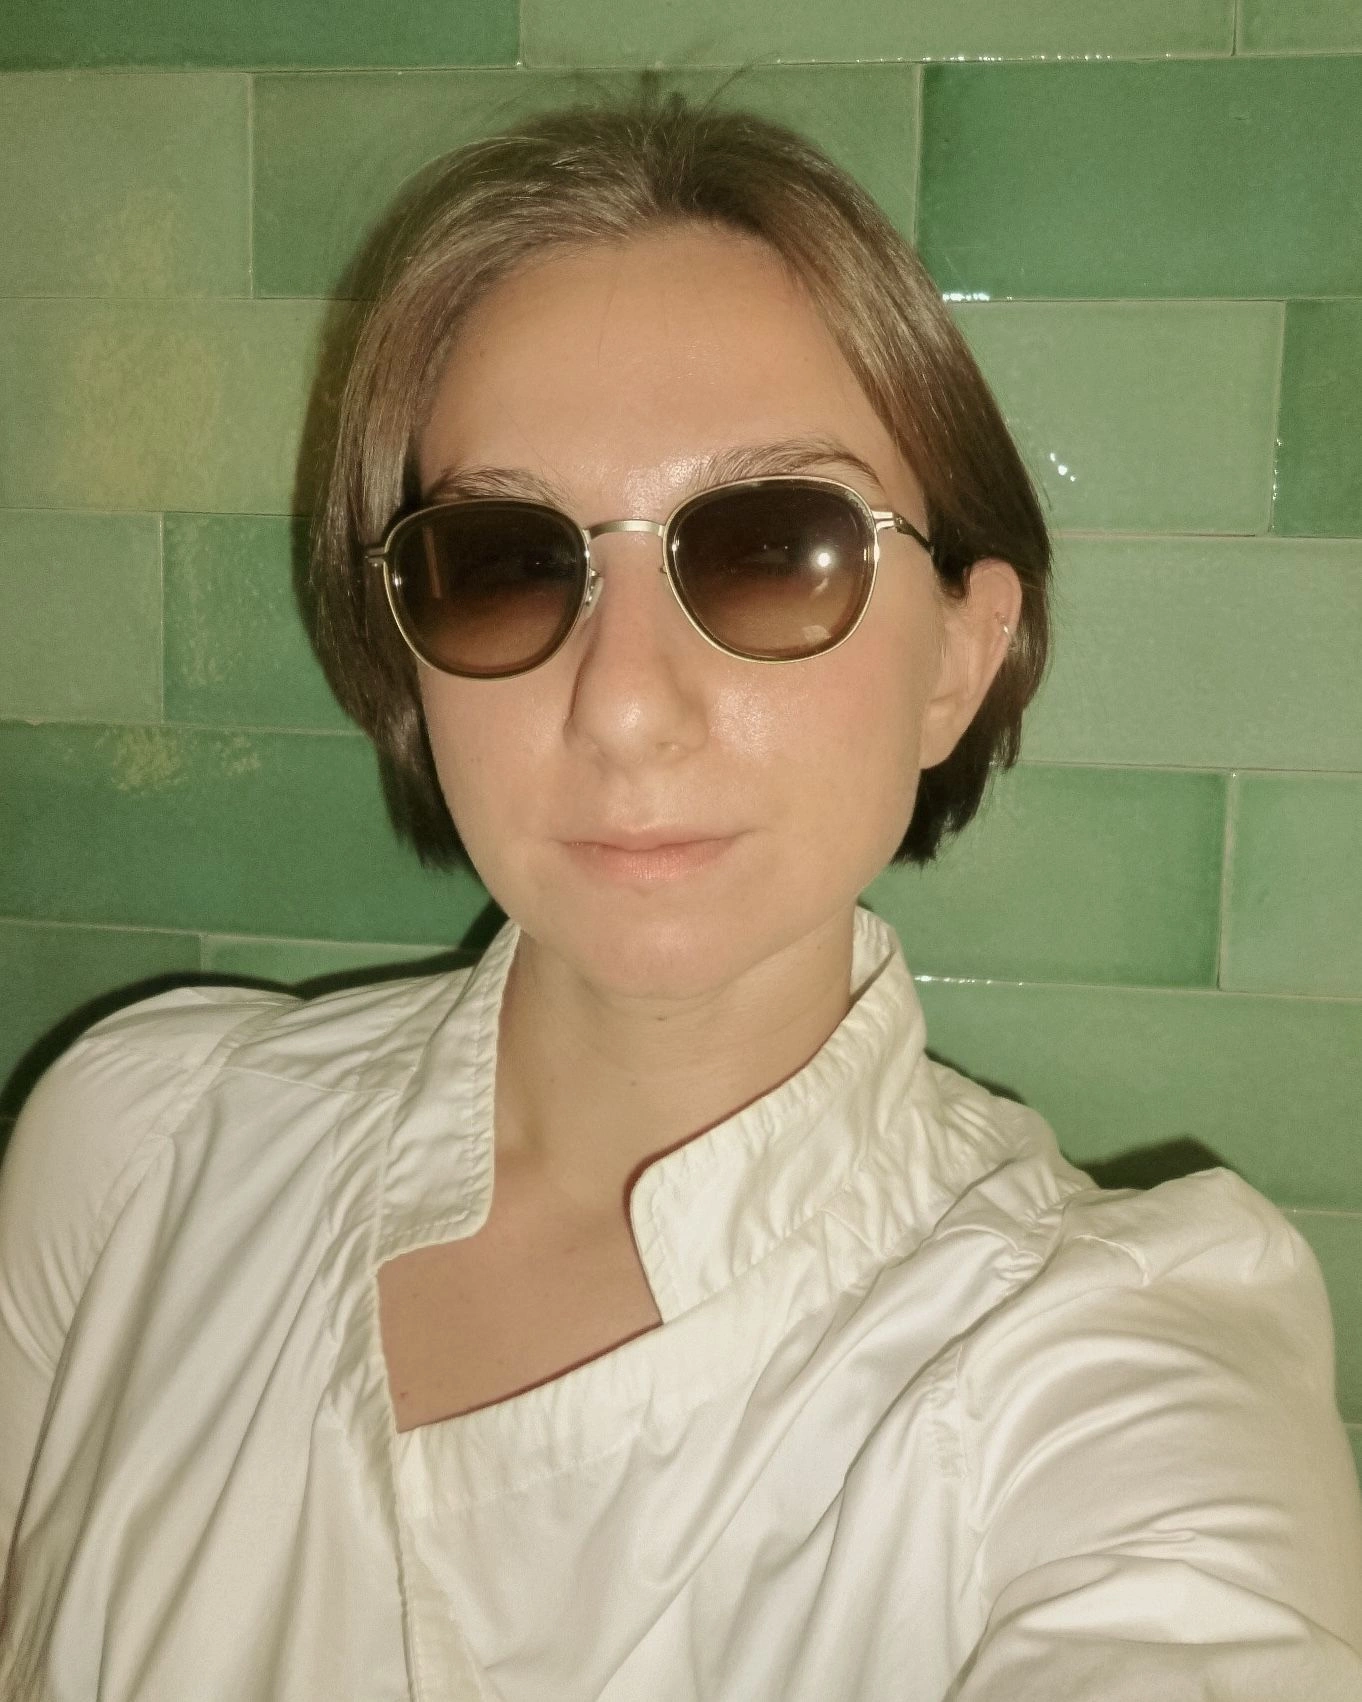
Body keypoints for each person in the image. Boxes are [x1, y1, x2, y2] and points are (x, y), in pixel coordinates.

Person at [2, 92, 1360, 1702]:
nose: (625, 704)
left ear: (958, 657)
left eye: (770, 548)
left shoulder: (1103, 1360)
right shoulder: (141, 1151)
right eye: (505, 559)